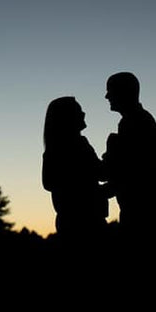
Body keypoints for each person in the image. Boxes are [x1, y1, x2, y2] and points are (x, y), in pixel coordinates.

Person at [102, 72, 156, 234]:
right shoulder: (134, 121)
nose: (107, 96)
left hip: (146, 213)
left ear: (123, 92)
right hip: (147, 210)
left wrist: (98, 193)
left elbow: (132, 171)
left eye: (110, 91)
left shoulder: (135, 123)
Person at [41, 96, 108, 239]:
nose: (83, 114)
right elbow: (101, 173)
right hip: (86, 222)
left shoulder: (57, 147)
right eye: (79, 111)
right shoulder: (77, 145)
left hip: (72, 221)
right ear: (67, 117)